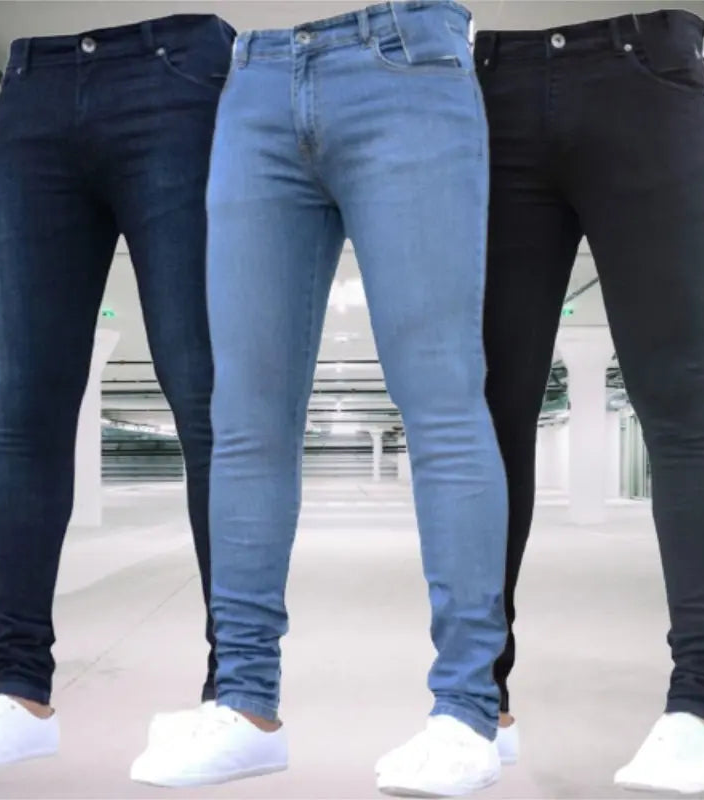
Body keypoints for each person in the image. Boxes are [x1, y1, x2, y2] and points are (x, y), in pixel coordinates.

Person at [130, 2, 510, 796]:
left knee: (440, 399)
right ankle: (244, 703)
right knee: (245, 420)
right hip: (254, 82)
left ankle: (468, 710)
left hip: (407, 65)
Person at [0, 14, 235, 772]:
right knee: (25, 412)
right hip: (32, 88)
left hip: (178, 77)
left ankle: (238, 689)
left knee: (207, 403)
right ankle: (18, 691)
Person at [476, 10, 704, 794]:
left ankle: (697, 708)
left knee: (678, 396)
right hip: (487, 89)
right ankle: (477, 699)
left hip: (646, 77)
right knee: (489, 414)